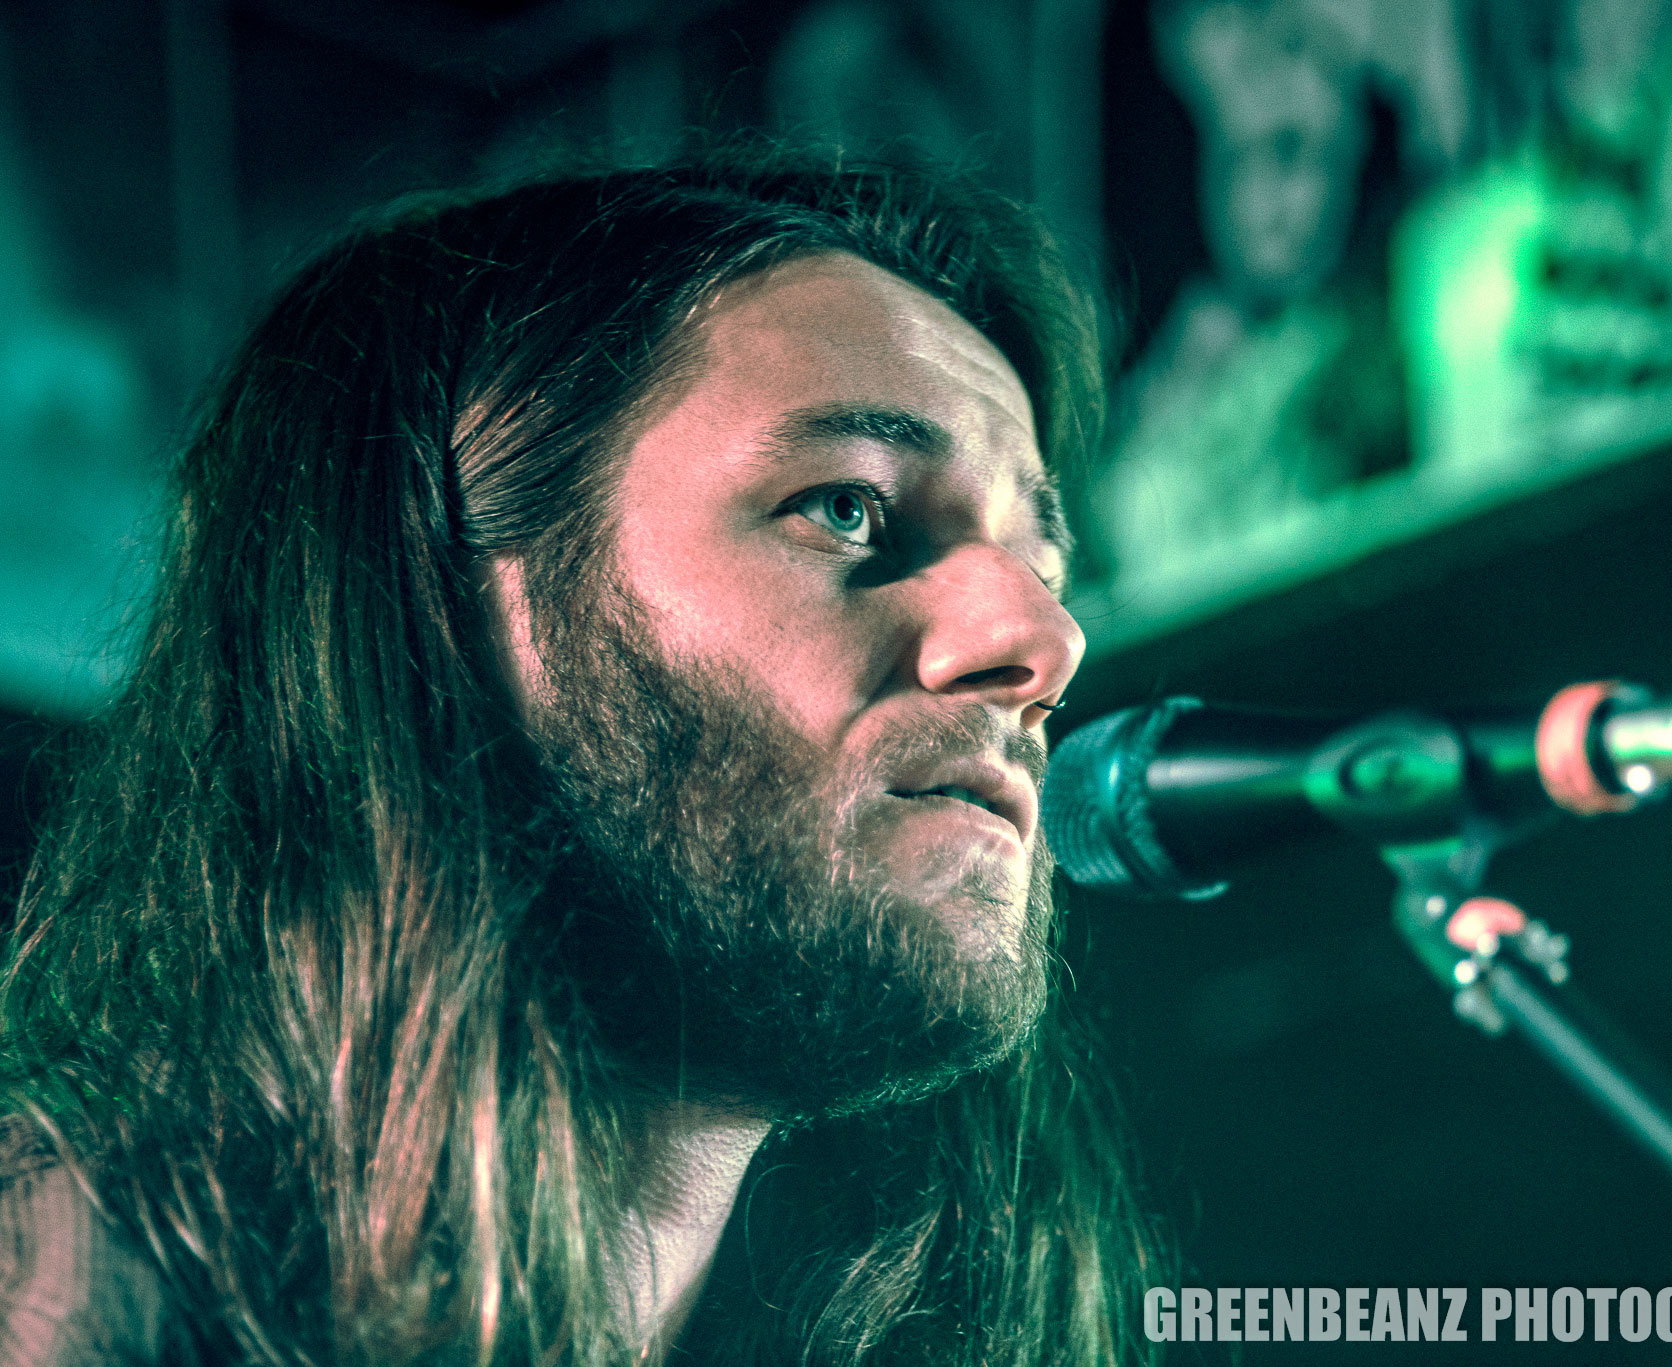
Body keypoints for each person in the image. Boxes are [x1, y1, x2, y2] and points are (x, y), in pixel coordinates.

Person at [0, 143, 1160, 1365]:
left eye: (1044, 567)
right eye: (848, 507)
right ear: (441, 592)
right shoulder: (64, 1287)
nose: (1042, 638)